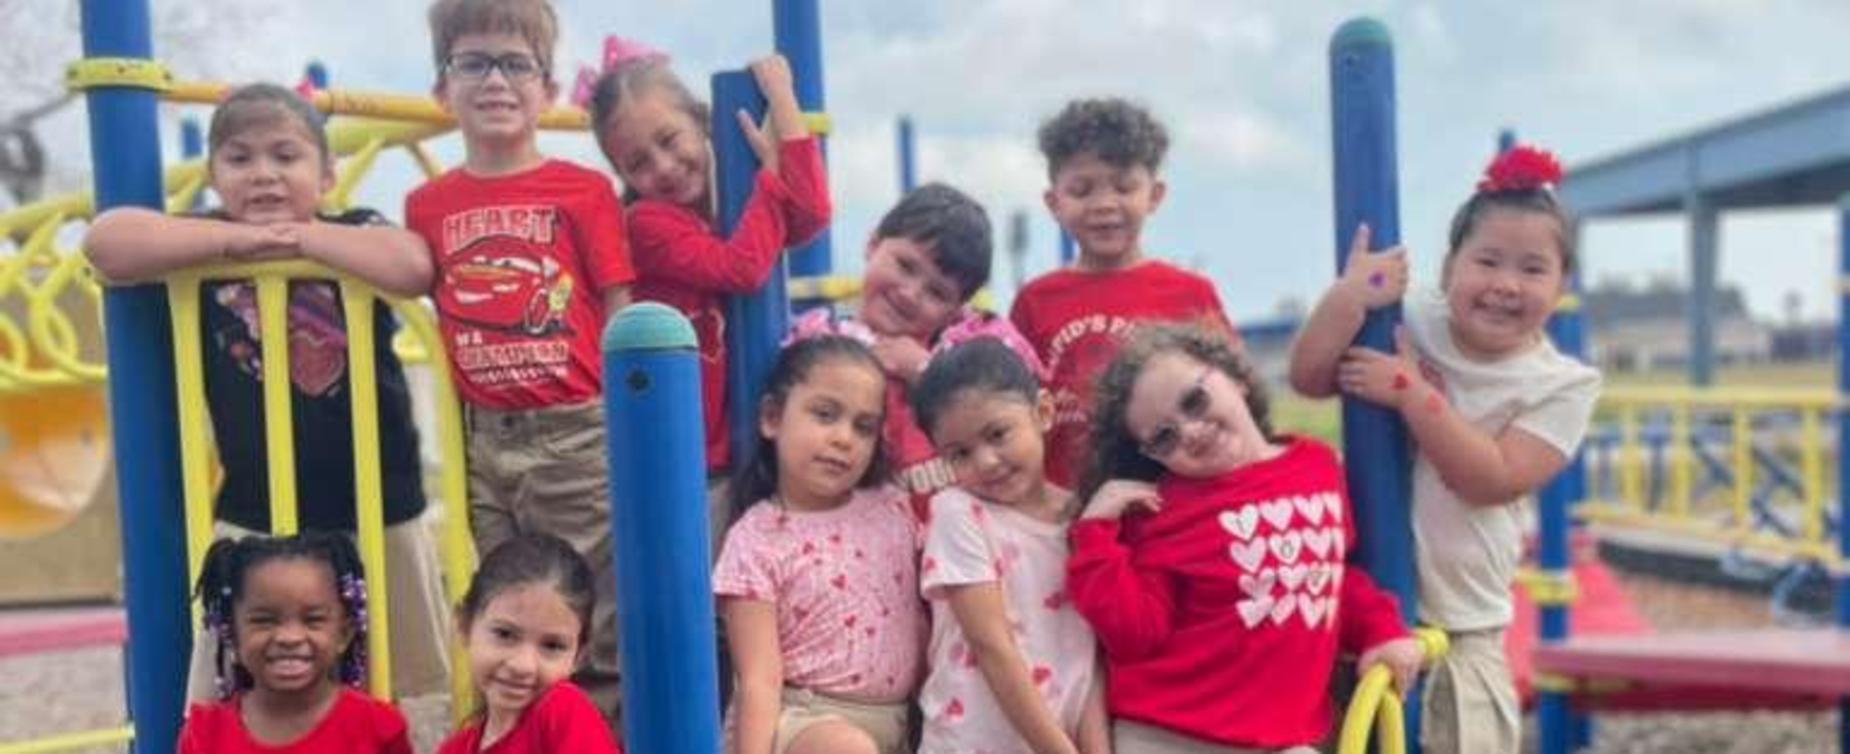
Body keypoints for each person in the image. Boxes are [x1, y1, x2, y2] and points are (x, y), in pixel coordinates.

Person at [83, 81, 451, 703]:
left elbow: (412, 266)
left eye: (286, 157)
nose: (264, 175)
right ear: (215, 174)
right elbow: (108, 243)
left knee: (408, 678)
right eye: (240, 158)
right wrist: (235, 243)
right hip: (258, 514)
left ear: (327, 174)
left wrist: (301, 239)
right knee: (240, 677)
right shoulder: (204, 245)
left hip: (379, 501)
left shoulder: (351, 231)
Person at [1287, 144, 1601, 754]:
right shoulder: (1411, 318)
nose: (1505, 285)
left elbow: (1494, 477)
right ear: (1451, 263)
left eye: (1533, 269)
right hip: (1356, 611)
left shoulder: (1561, 384)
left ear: (1563, 283)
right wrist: (1351, 296)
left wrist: (1411, 394)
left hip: (1463, 629)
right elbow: (1311, 376)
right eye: (1487, 261)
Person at [408, 0, 636, 723]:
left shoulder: (582, 190)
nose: (496, 81)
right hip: (484, 442)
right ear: (444, 88)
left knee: (588, 624)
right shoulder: (427, 205)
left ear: (548, 88)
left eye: (516, 64)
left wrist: (631, 427)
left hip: (575, 435)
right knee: (501, 627)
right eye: (473, 62)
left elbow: (622, 310)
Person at [1073, 325, 1422, 753]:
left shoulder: (1318, 466)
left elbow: (1328, 578)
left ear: (1233, 375)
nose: (1191, 431)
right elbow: (1134, 633)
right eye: (1165, 437)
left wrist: (1382, 630)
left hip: (1281, 739)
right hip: (1171, 736)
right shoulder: (1162, 510)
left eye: (1194, 401)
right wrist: (1095, 538)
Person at [586, 38, 829, 541]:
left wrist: (782, 104)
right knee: (714, 594)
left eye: (670, 140)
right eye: (638, 163)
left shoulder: (734, 202)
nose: (665, 167)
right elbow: (743, 269)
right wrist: (769, 179)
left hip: (751, 440)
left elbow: (811, 216)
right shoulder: (646, 224)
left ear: (702, 122)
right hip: (695, 457)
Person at [713, 328, 924, 754]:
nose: (844, 438)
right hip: (803, 721)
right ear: (772, 417)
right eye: (825, 415)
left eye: (864, 427)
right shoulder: (757, 537)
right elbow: (758, 679)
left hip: (898, 720)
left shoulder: (894, 508)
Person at [1009, 97, 1236, 490]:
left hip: (1171, 506)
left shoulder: (1191, 294)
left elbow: (1235, 400)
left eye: (1123, 187)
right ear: (1054, 203)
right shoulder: (1035, 301)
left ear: (1154, 195)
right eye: (1081, 190)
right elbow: (1011, 409)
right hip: (1066, 512)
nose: (1104, 204)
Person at [908, 335, 1109, 754]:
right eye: (959, 454)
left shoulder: (1082, 518)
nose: (985, 461)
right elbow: (991, 645)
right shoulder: (957, 513)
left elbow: (1089, 657)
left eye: (997, 434)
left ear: (1043, 412)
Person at [179, 533, 413, 754]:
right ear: (232, 633)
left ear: (344, 633)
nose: (289, 637)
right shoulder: (205, 735)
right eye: (264, 620)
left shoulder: (379, 728)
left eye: (313, 620)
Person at [437, 534, 623, 754]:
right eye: (504, 634)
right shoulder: (455, 749)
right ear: (465, 625)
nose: (522, 665)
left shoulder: (564, 711)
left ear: (578, 655)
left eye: (552, 646)